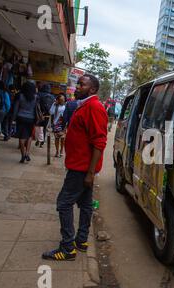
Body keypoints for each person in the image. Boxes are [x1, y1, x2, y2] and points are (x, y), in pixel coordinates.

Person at [42, 74, 108, 261]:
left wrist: (89, 173)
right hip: (80, 166)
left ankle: (67, 248)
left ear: (92, 90)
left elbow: (99, 142)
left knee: (63, 203)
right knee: (86, 204)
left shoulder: (94, 107)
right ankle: (81, 240)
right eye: (77, 84)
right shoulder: (84, 105)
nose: (76, 87)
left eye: (81, 84)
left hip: (81, 169)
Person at [13, 82, 38, 164]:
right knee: (29, 136)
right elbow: (36, 109)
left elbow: (15, 108)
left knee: (21, 137)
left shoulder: (20, 96)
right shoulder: (35, 97)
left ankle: (23, 155)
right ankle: (27, 153)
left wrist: (13, 118)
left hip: (20, 118)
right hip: (31, 119)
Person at [49, 93, 67, 158]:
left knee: (62, 138)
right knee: (57, 138)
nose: (63, 101)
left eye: (63, 99)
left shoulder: (66, 106)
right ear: (58, 100)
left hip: (63, 124)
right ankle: (57, 151)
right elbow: (51, 112)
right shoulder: (55, 105)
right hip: (56, 123)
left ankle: (61, 150)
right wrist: (54, 104)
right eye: (61, 100)